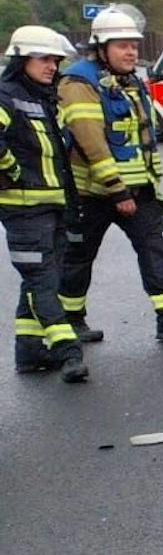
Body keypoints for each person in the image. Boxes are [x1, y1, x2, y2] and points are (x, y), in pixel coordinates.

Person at [55, 8, 163, 343]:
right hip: (93, 193)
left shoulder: (131, 82)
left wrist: (154, 191)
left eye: (134, 46)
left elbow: (144, 140)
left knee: (154, 251)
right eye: (122, 45)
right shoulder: (79, 82)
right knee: (78, 257)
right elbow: (89, 138)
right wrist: (116, 189)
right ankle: (70, 321)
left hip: (139, 189)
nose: (131, 52)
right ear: (100, 47)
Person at [1, 26, 88, 382]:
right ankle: (68, 351)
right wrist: (14, 171)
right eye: (43, 58)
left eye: (54, 60)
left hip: (52, 205)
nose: (51, 66)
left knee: (37, 278)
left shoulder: (46, 98)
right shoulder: (6, 95)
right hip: (23, 209)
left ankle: (30, 352)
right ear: (22, 59)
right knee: (42, 279)